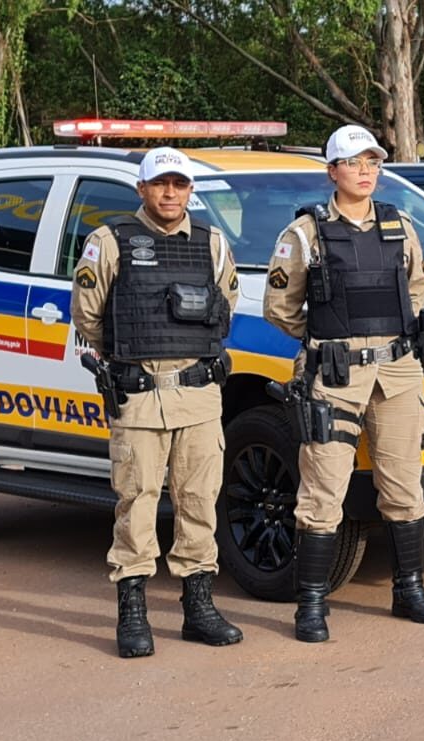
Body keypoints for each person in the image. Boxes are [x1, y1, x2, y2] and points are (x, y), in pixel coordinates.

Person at [264, 124, 424, 643]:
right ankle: (312, 605)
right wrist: (329, 337)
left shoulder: (400, 225)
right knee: (323, 491)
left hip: (398, 371)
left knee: (406, 488)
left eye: (373, 162)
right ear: (332, 172)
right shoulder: (305, 233)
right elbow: (280, 307)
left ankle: (409, 589)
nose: (365, 172)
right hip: (336, 374)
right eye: (354, 163)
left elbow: (416, 288)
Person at [70, 146, 243, 658]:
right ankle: (133, 612)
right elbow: (88, 314)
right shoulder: (110, 241)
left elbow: (226, 301)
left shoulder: (212, 243)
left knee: (198, 502)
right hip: (140, 396)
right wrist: (127, 353)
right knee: (137, 503)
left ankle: (199, 609)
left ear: (190, 190)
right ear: (142, 189)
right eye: (161, 184)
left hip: (198, 395)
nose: (171, 193)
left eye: (180, 184)